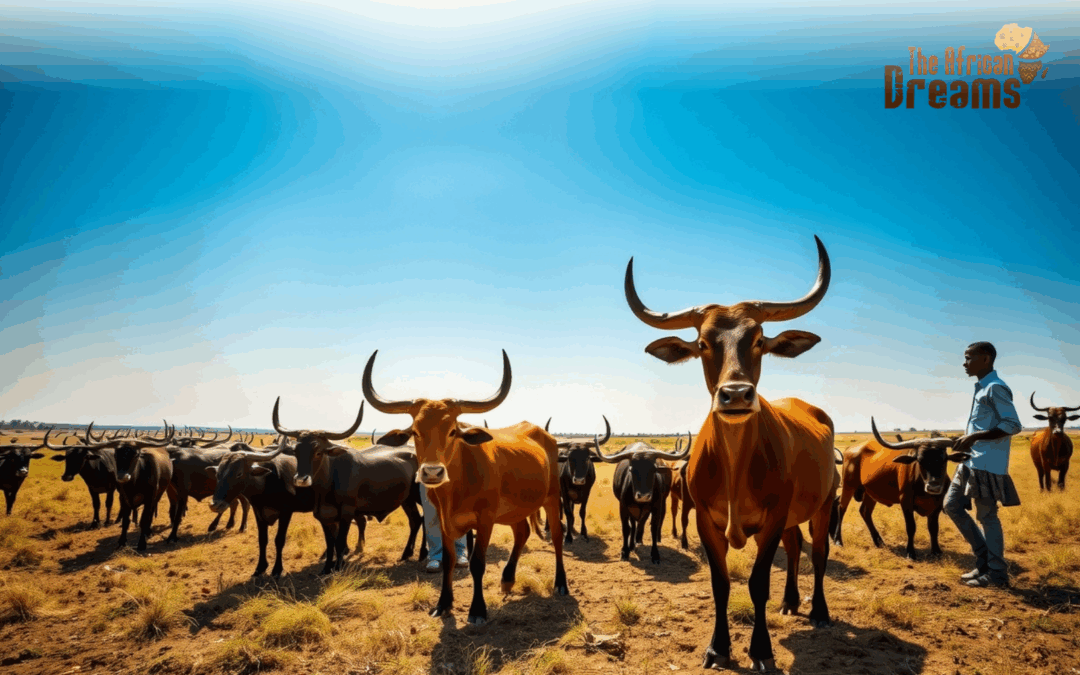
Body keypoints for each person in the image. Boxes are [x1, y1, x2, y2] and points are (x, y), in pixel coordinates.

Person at [944, 341, 1022, 588]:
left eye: (969, 358)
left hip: (986, 464)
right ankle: (984, 562)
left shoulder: (995, 388)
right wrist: (967, 438)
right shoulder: (981, 388)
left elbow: (1012, 425)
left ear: (986, 358)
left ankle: (998, 574)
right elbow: (982, 425)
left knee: (987, 516)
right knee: (951, 505)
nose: (964, 363)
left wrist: (975, 437)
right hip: (969, 462)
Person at [420, 484, 470, 573]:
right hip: (429, 475)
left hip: (455, 473)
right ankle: (435, 557)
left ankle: (459, 553)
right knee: (432, 516)